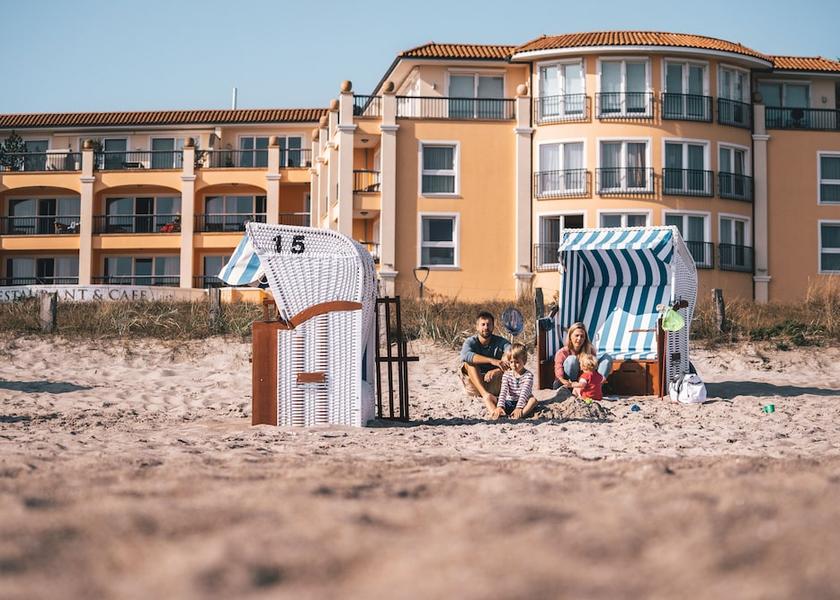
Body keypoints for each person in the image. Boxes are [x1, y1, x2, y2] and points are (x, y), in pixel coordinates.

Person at [460, 311, 510, 411]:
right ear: (477, 327)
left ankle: (490, 400)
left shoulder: (501, 342)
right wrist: (492, 361)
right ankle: (485, 395)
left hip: (494, 382)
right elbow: (466, 355)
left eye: (489, 324)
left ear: (493, 326)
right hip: (475, 386)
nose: (486, 327)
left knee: (513, 363)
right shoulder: (470, 341)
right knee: (469, 363)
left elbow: (512, 353)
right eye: (483, 324)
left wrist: (498, 370)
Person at [553, 321, 613, 390]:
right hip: (568, 384)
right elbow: (558, 369)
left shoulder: (589, 350)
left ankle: (596, 388)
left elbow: (593, 369)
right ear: (570, 337)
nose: (579, 339)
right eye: (577, 335)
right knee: (572, 359)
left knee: (607, 358)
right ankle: (572, 390)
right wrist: (565, 381)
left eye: (582, 336)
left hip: (585, 383)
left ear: (585, 338)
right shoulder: (562, 352)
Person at [491, 343, 538, 420]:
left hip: (522, 402)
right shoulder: (507, 375)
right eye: (511, 362)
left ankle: (520, 415)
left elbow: (524, 392)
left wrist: (519, 407)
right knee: (489, 397)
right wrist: (500, 406)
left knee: (533, 400)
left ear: (524, 361)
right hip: (509, 401)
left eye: (517, 362)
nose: (513, 365)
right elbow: (503, 391)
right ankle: (497, 413)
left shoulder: (528, 376)